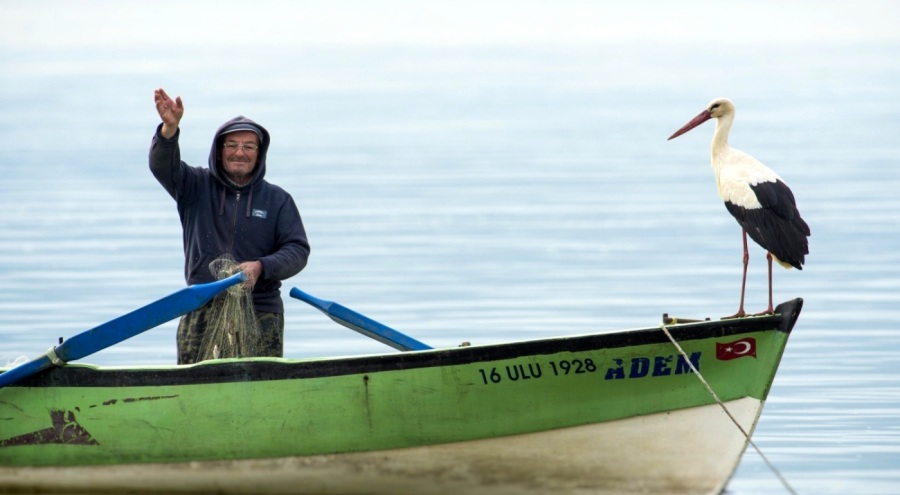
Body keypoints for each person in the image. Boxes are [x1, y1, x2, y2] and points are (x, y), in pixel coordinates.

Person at [149, 88, 310, 364]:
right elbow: (162, 166)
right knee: (193, 390)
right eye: (232, 145)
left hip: (262, 312)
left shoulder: (278, 200)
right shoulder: (194, 186)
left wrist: (261, 266)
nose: (240, 152)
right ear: (219, 150)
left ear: (259, 154)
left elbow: (297, 251)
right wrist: (169, 130)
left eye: (249, 146)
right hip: (201, 308)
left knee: (262, 391)